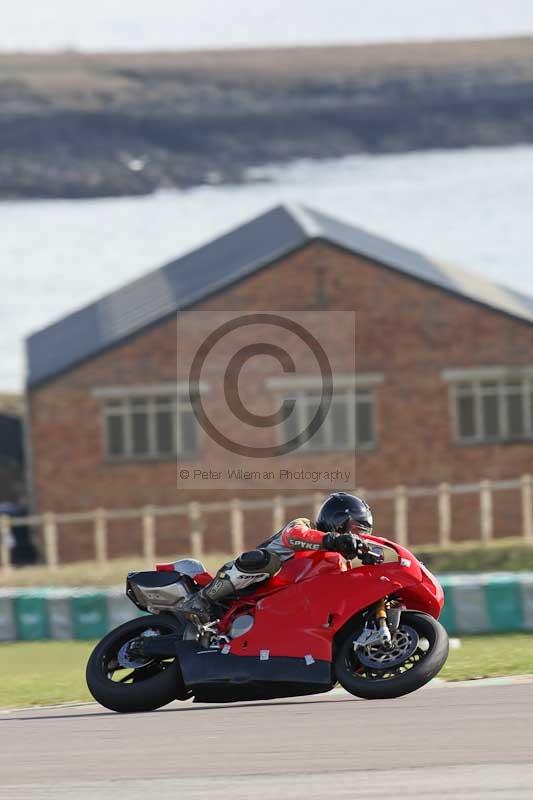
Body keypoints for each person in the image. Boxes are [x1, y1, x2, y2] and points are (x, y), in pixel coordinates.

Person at [180, 492, 373, 624]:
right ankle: (202, 599)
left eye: (362, 535)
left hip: (281, 606)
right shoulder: (305, 526)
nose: (357, 537)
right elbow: (294, 535)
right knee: (266, 560)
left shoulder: (337, 563)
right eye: (356, 531)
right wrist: (332, 539)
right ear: (338, 521)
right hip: (253, 587)